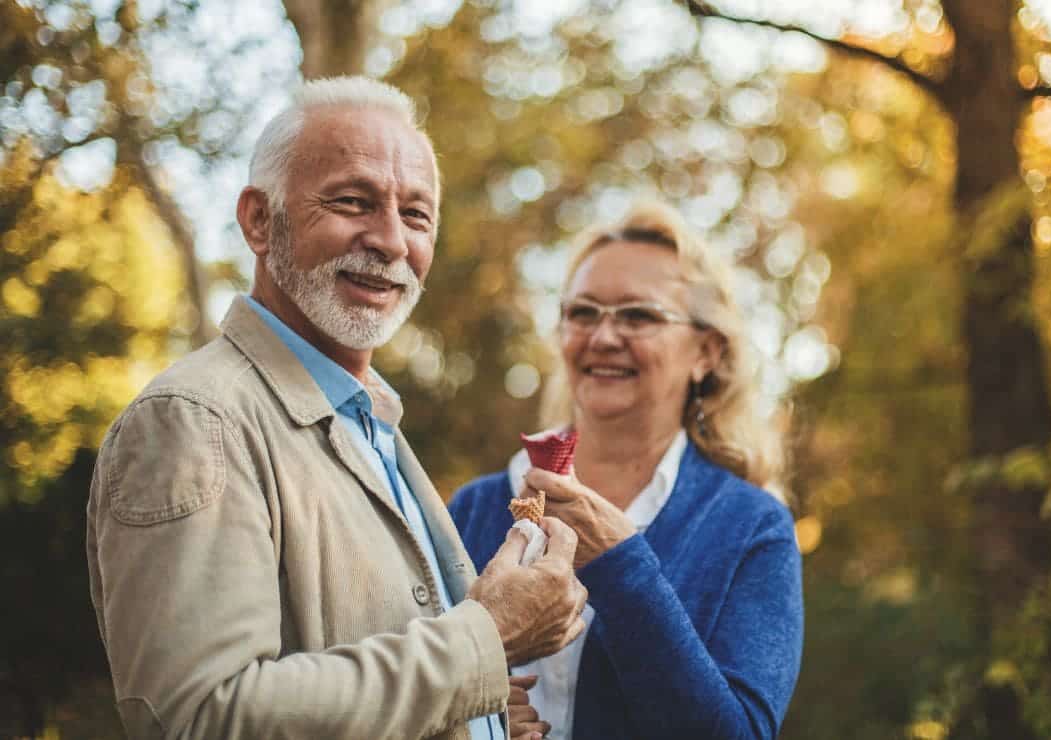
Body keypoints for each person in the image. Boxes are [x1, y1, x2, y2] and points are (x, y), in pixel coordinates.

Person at [86, 76, 588, 740]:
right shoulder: (193, 422)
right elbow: (208, 717)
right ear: (260, 220)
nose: (389, 240)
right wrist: (488, 637)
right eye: (354, 202)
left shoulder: (371, 422)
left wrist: (485, 719)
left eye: (416, 214)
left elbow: (394, 677)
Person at [449, 202, 805, 739]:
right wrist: (474, 724)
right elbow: (412, 693)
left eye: (639, 315)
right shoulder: (473, 509)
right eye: (583, 312)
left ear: (706, 351)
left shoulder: (754, 528)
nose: (603, 337)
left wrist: (623, 567)